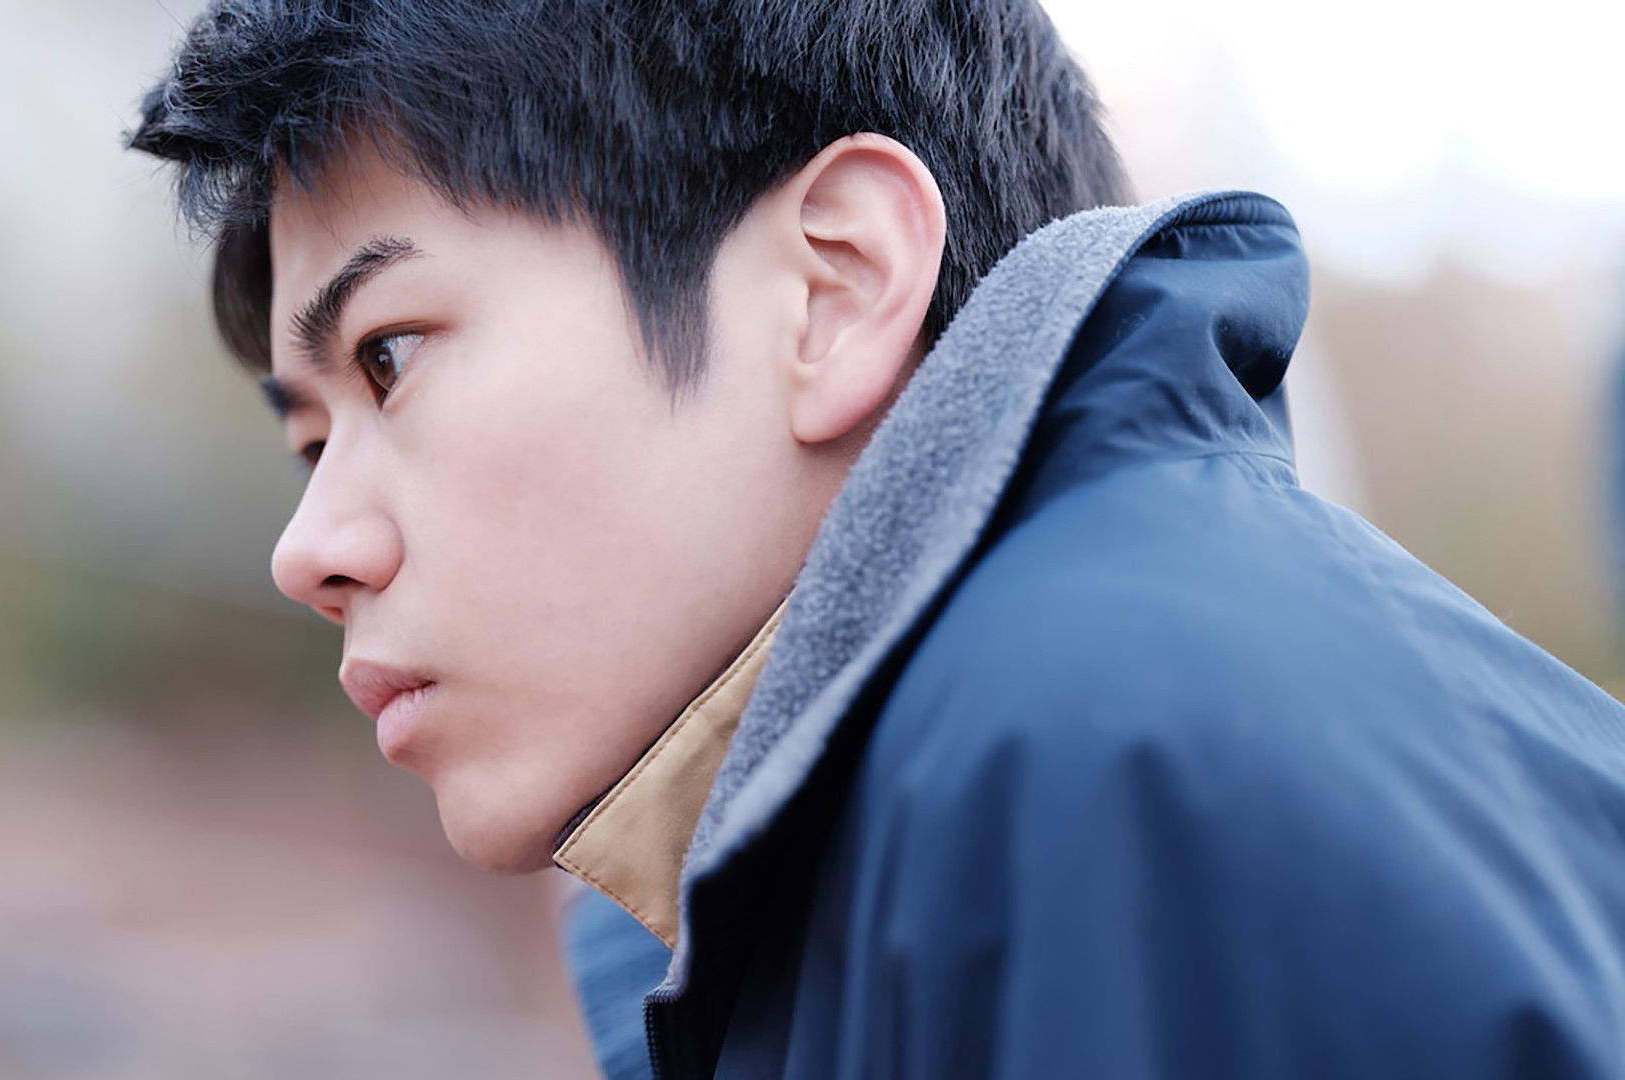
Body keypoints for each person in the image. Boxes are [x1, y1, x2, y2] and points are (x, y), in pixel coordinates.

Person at [127, 2, 1625, 1076]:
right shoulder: (906, 827)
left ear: (833, 288)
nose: (309, 549)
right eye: (311, 440)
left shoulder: (1107, 773)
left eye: (389, 358)